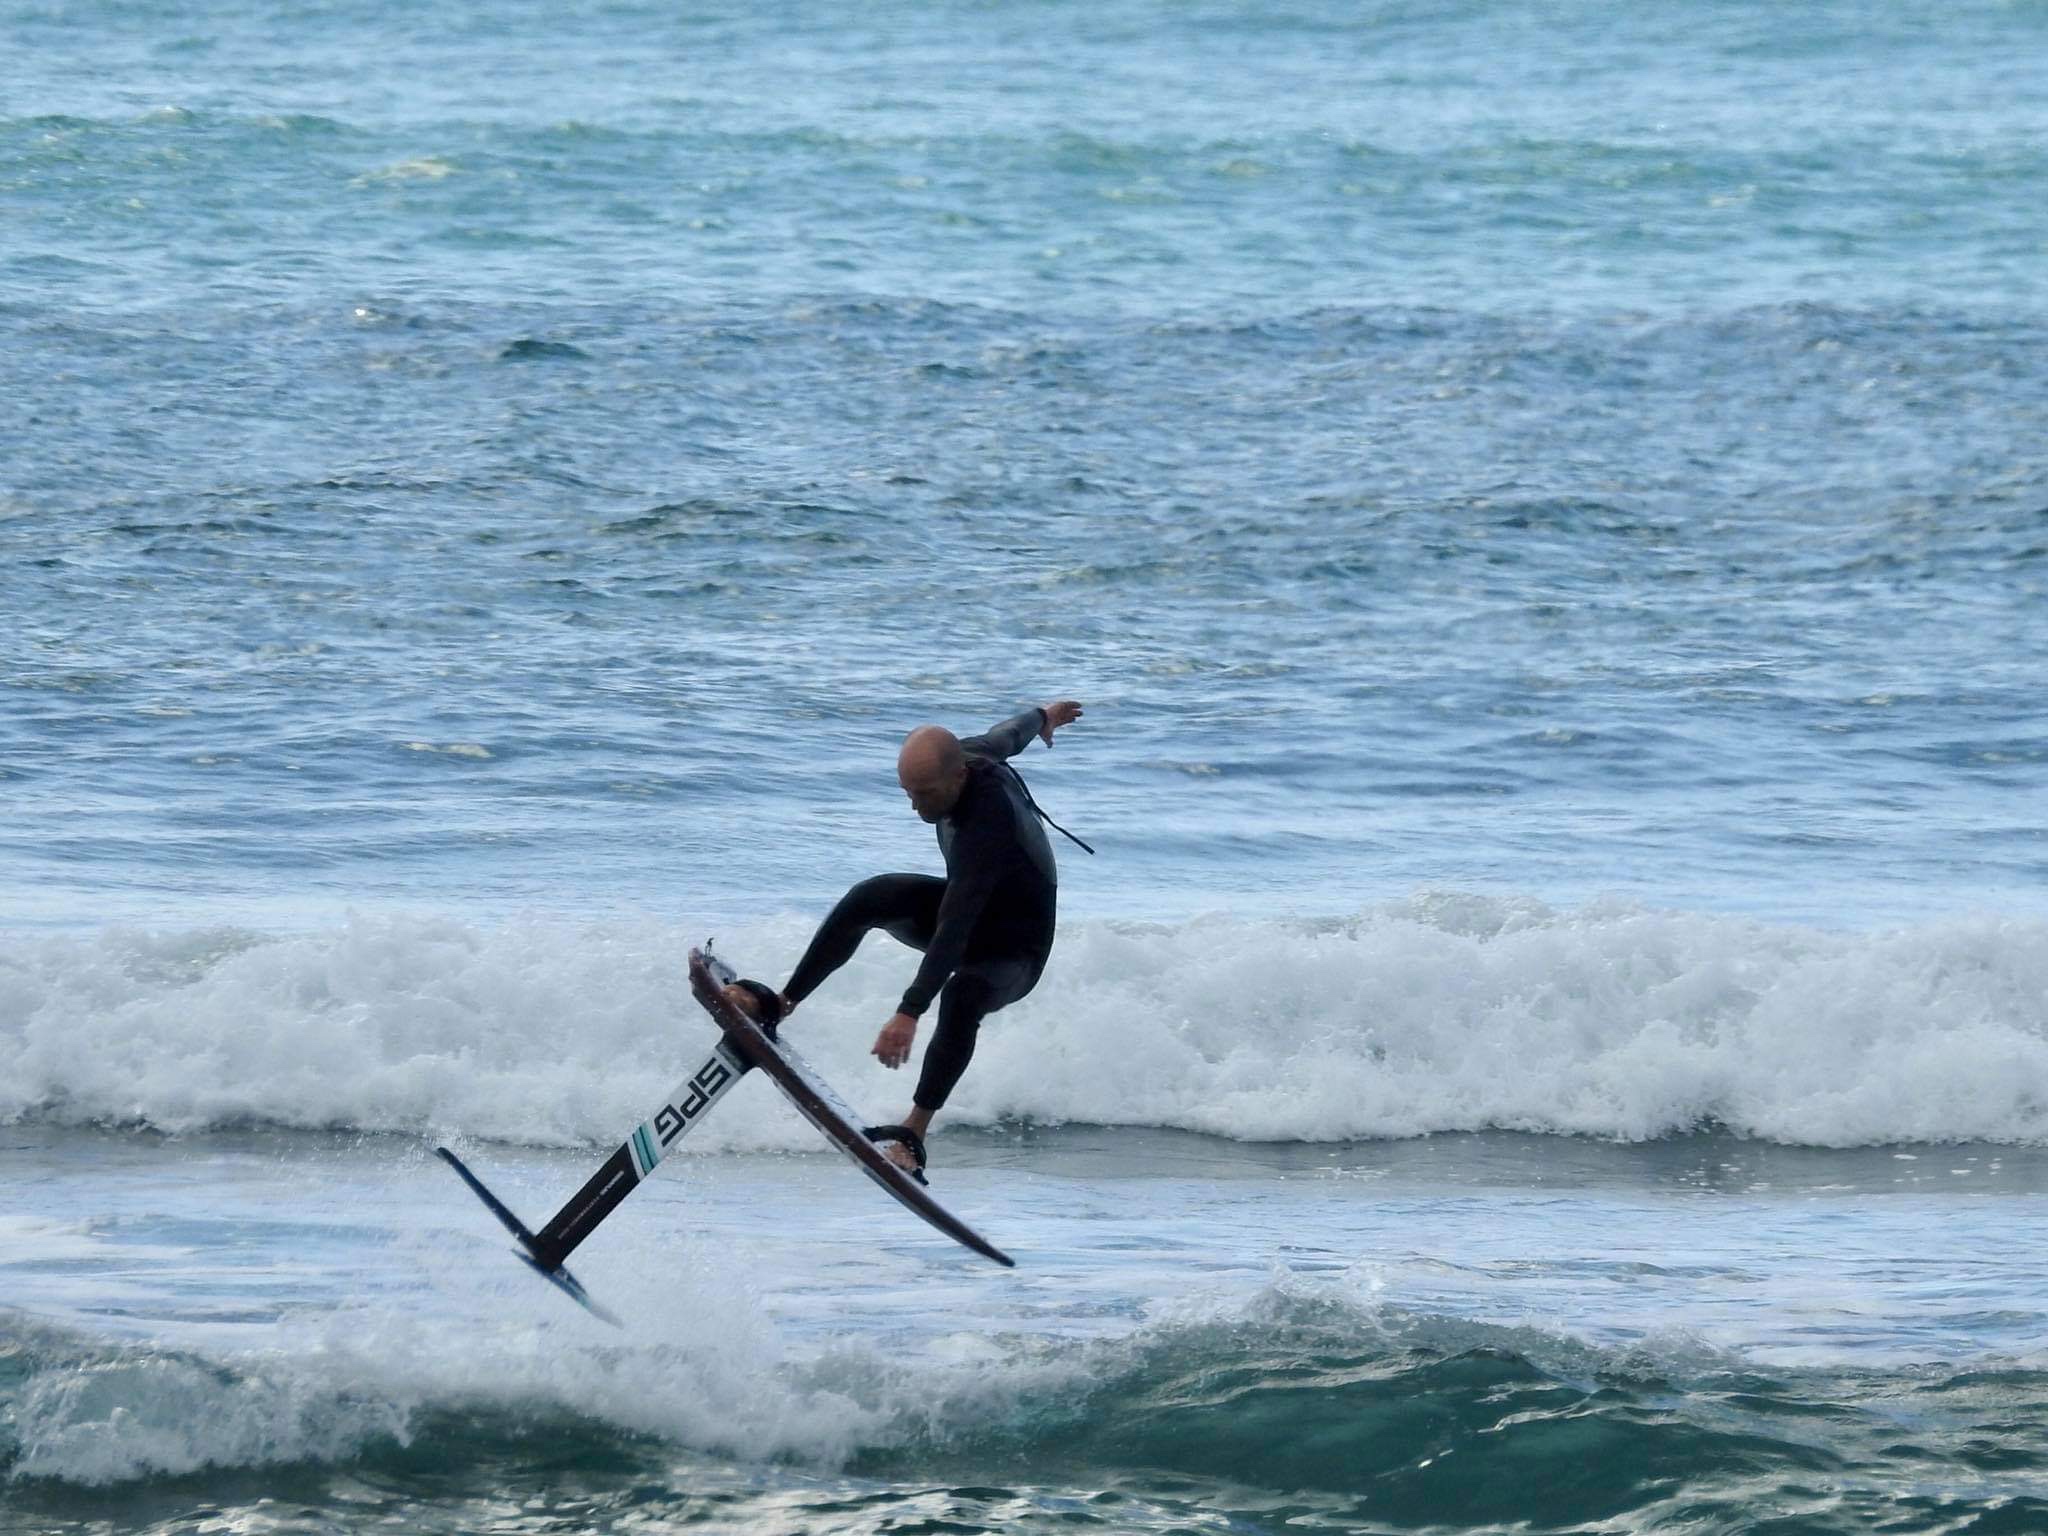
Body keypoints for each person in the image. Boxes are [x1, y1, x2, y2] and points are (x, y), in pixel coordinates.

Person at [723, 700, 1087, 1178]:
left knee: (961, 997)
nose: (916, 806)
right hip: (971, 915)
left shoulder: (987, 827)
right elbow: (1009, 734)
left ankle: (913, 1134)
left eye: (925, 794)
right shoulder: (971, 754)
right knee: (872, 896)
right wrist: (1043, 717)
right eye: (908, 793)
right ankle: (781, 1003)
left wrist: (909, 1011)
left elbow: (955, 926)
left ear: (958, 777)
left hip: (1017, 949)